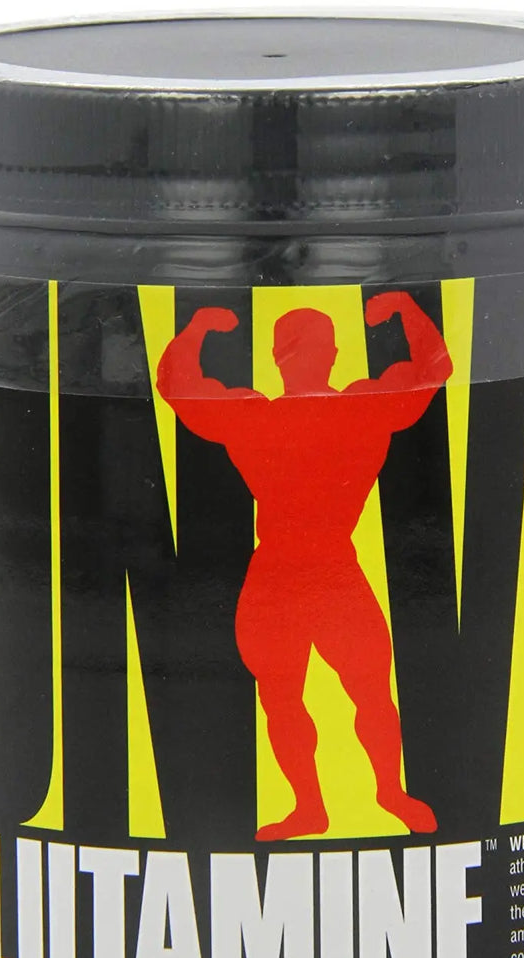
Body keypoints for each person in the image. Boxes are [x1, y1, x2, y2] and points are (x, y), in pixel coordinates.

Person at [156, 291, 453, 840]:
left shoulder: (263, 415)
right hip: (306, 572)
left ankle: (372, 796)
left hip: (304, 571)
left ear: (277, 357)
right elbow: (432, 368)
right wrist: (404, 311)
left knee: (335, 692)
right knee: (311, 693)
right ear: (333, 353)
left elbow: (177, 384)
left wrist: (198, 328)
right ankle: (329, 804)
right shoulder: (354, 409)